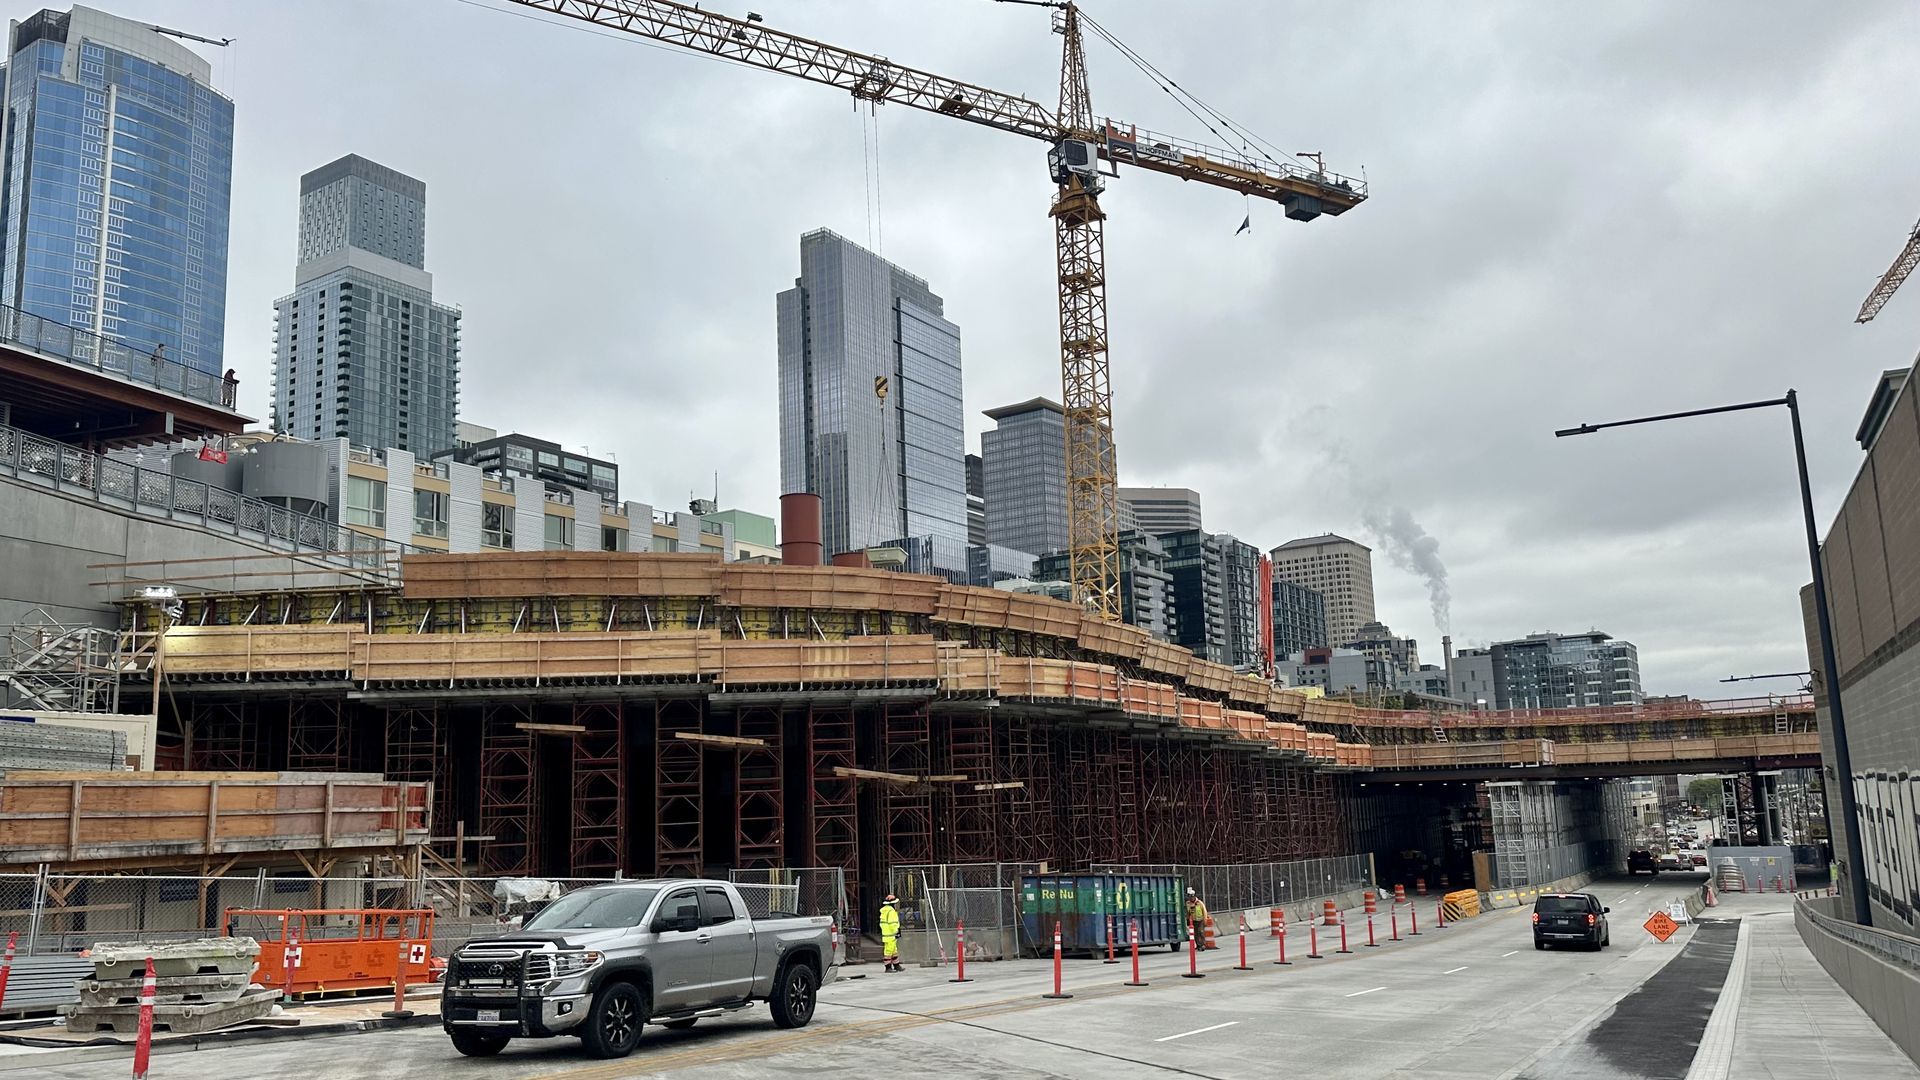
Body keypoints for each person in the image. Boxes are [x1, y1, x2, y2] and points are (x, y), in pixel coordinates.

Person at [879, 894, 902, 972]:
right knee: (889, 951)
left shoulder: (884, 910)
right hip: (891, 934)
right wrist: (897, 931)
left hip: (886, 934)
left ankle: (896, 965)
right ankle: (888, 967)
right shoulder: (891, 911)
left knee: (893, 950)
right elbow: (893, 923)